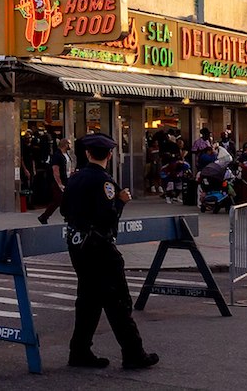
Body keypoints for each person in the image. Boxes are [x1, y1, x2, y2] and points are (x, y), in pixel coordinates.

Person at [61, 133, 159, 370]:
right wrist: (121, 201)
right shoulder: (104, 182)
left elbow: (64, 209)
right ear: (110, 155)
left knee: (88, 300)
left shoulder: (75, 179)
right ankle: (134, 353)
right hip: (100, 248)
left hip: (77, 246)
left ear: (87, 153)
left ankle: (80, 351)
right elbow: (107, 218)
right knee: (117, 301)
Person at [38, 138, 73, 224]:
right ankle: (44, 216)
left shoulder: (66, 155)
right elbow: (55, 170)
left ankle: (67, 216)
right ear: (65, 145)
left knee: (67, 199)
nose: (71, 146)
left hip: (67, 179)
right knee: (58, 200)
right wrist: (59, 183)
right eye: (70, 144)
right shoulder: (57, 155)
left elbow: (68, 167)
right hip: (59, 181)